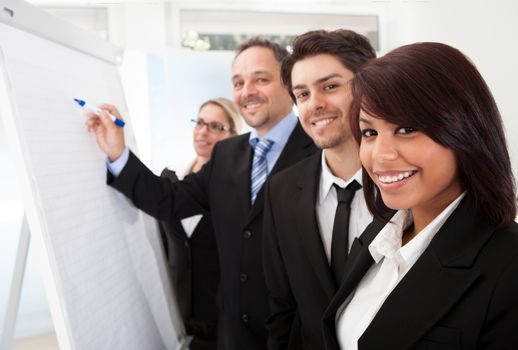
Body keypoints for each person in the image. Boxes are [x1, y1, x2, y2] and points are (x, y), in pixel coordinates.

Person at [86, 37, 317, 350]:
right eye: (238, 82)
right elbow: (168, 199)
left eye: (260, 79)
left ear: (289, 84)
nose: (246, 91)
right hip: (233, 336)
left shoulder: (319, 148)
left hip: (297, 338)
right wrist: (117, 152)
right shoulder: (227, 155)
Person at [321, 42, 518, 350]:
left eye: (407, 128)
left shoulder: (509, 266)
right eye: (370, 133)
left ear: (465, 131)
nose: (380, 156)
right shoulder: (376, 238)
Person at [262, 29, 389, 350]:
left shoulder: (409, 184)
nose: (315, 105)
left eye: (330, 87)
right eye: (302, 95)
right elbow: (282, 307)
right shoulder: (281, 190)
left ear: (369, 87)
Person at [158, 98, 241, 349]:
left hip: (222, 324)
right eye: (200, 122)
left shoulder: (239, 190)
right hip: (177, 318)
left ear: (234, 135)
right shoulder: (170, 179)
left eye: (215, 126)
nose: (203, 132)